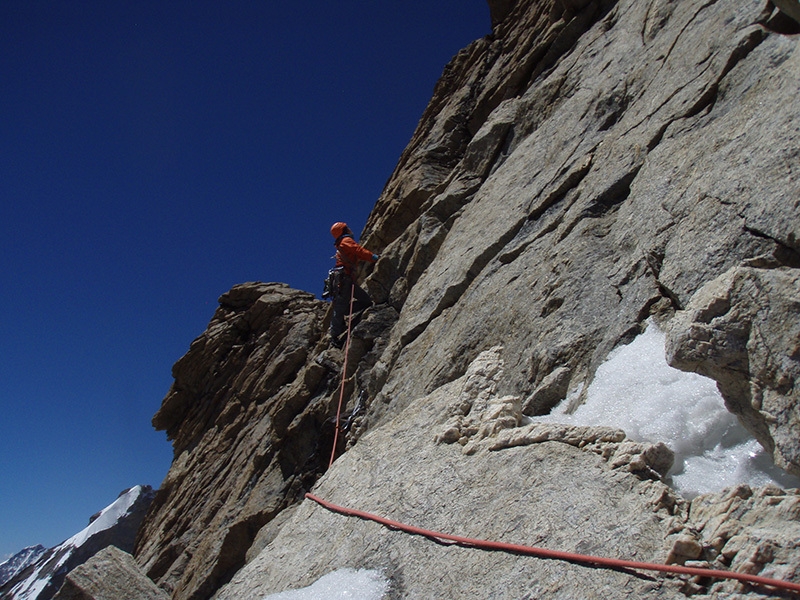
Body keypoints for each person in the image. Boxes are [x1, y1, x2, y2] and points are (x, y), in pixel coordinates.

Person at [328, 222, 378, 347]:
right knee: (340, 307)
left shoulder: (341, 243)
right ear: (344, 230)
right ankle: (333, 336)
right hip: (344, 279)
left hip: (346, 279)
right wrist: (373, 257)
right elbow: (357, 250)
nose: (350, 229)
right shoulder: (345, 240)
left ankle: (344, 314)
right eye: (347, 228)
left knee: (366, 301)